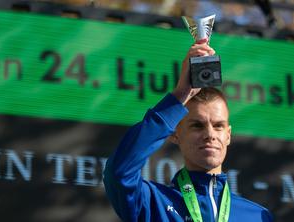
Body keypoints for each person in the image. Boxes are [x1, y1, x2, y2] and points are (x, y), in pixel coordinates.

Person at [103, 38, 273, 222]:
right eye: (197, 125)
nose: (210, 135)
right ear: (175, 133)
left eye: (218, 126)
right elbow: (119, 173)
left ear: (228, 135)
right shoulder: (153, 202)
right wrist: (180, 95)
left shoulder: (258, 216)